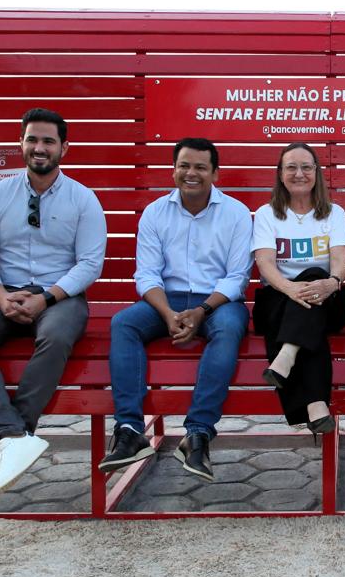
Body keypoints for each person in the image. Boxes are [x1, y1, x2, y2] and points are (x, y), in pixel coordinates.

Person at [0, 108, 106, 496]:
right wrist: (0, 295)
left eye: (48, 141)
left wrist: (47, 298)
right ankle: (13, 435)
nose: (39, 148)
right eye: (32, 139)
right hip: (5, 290)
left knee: (54, 338)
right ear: (21, 144)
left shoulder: (82, 199)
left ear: (64, 148)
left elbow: (90, 263)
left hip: (60, 295)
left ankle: (12, 434)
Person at [98, 138, 251, 481]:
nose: (191, 173)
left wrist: (201, 311)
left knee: (227, 329)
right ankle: (129, 430)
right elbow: (147, 274)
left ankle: (198, 433)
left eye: (200, 167)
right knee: (124, 323)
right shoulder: (155, 212)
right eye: (184, 165)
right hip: (165, 300)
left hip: (217, 302)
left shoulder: (236, 213)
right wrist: (168, 314)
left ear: (215, 173)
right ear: (174, 170)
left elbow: (237, 277)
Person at [251, 143, 345, 433]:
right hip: (279, 300)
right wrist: (291, 289)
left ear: (316, 173)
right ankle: (316, 403)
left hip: (328, 298)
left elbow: (341, 260)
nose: (299, 173)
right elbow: (266, 263)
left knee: (315, 274)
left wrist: (332, 283)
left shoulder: (332, 213)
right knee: (308, 319)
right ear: (280, 174)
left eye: (306, 167)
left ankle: (286, 355)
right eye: (291, 167)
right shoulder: (267, 214)